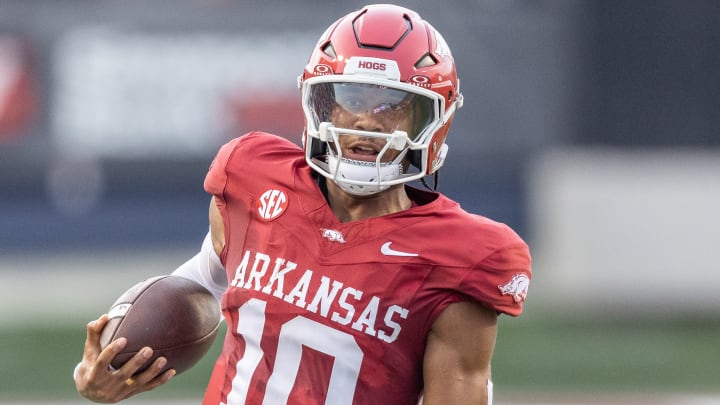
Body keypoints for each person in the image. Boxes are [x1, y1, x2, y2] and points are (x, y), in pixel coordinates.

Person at [73, 4, 531, 405]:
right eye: (350, 97)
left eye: (392, 104)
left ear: (433, 119)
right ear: (322, 102)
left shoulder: (459, 255)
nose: (363, 121)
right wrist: (117, 357)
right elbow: (208, 277)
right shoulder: (254, 179)